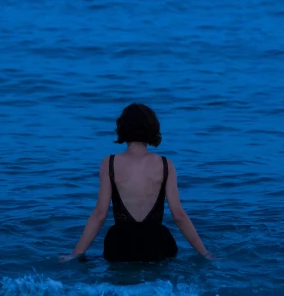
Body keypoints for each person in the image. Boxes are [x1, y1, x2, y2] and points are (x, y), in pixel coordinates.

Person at [60, 103, 213, 262]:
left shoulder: (110, 163)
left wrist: (76, 253)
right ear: (153, 129)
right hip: (156, 246)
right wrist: (205, 253)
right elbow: (179, 215)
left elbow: (99, 215)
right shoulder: (165, 165)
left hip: (120, 247)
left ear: (122, 128)